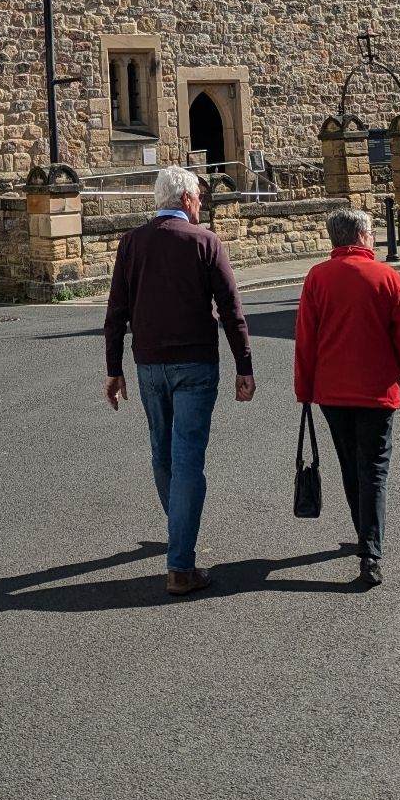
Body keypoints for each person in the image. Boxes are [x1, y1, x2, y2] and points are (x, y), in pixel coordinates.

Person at [104, 165, 255, 597]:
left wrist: (113, 369)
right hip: (196, 364)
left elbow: (116, 313)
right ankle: (181, 564)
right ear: (187, 200)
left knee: (162, 452)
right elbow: (231, 310)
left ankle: (179, 535)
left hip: (149, 365)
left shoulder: (131, 244)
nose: (202, 205)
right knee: (189, 458)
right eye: (199, 199)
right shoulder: (205, 243)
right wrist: (244, 366)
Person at [293, 206, 400, 590]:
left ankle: (365, 538)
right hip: (376, 389)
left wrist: (305, 389)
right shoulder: (387, 277)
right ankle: (370, 551)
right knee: (375, 469)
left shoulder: (317, 277)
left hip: (332, 392)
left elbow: (306, 339)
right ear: (363, 236)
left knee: (351, 466)